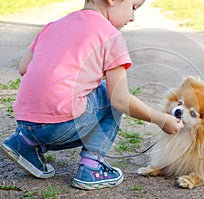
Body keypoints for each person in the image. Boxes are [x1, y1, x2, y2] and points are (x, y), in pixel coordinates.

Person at [1, 0, 183, 190]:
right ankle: (91, 167)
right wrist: (161, 119)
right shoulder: (110, 35)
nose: (132, 17)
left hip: (24, 121)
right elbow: (120, 99)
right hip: (60, 126)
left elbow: (24, 69)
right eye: (133, 7)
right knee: (108, 94)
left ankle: (25, 143)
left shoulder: (53, 26)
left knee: (69, 101)